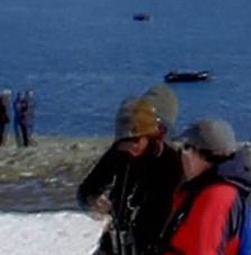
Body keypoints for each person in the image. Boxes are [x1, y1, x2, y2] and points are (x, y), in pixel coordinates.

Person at [78, 85, 182, 255]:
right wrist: (92, 200)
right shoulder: (119, 152)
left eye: (136, 141)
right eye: (125, 143)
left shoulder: (172, 162)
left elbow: (168, 215)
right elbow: (88, 187)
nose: (130, 148)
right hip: (116, 243)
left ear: (150, 136)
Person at [160, 118, 251, 255]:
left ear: (201, 153)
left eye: (186, 147)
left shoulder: (216, 197)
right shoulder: (219, 189)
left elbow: (204, 250)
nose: (182, 155)